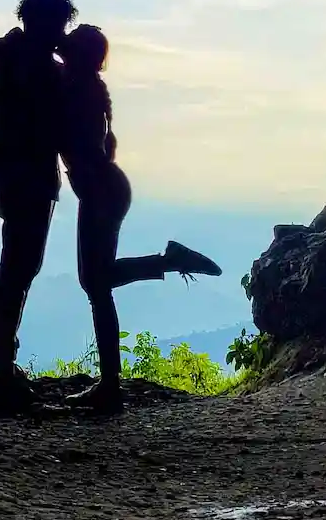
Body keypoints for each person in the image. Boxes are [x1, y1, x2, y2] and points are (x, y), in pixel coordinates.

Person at [59, 23, 221, 415]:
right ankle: (110, 385)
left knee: (95, 284)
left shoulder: (76, 91)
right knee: (95, 282)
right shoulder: (89, 90)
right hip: (107, 189)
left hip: (101, 191)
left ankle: (110, 387)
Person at [0, 0, 77, 414]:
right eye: (59, 26)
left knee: (14, 267)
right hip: (32, 177)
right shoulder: (40, 69)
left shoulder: (11, 56)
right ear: (49, 24)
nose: (62, 34)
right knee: (19, 268)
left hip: (11, 175)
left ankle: (2, 365)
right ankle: (0, 375)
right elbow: (58, 126)